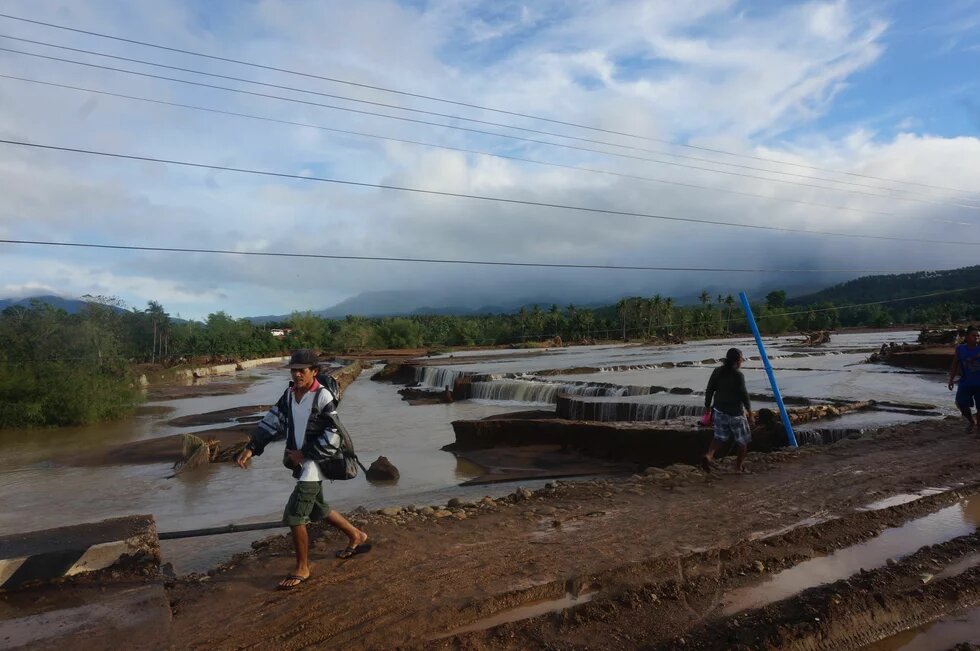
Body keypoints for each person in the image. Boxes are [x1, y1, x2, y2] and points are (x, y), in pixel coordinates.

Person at [236, 349, 370, 590]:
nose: (297, 374)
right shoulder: (289, 395)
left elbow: (334, 435)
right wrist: (252, 448)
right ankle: (356, 536)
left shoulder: (322, 397)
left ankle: (302, 568)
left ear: (314, 372)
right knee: (319, 509)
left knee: (295, 515)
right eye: (294, 370)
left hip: (315, 465)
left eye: (302, 370)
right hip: (302, 463)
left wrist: (305, 454)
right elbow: (272, 420)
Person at [701, 347, 754, 473]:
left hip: (719, 411)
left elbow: (709, 390)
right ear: (737, 361)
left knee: (719, 437)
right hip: (735, 413)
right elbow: (743, 394)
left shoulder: (717, 371)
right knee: (742, 441)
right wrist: (750, 412)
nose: (742, 361)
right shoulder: (738, 375)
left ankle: (708, 456)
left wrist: (707, 407)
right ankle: (738, 467)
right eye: (741, 358)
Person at [948, 326, 980, 433]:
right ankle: (971, 421)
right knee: (961, 403)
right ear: (967, 337)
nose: (976, 338)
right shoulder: (960, 349)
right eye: (974, 335)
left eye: (978, 336)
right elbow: (955, 364)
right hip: (965, 382)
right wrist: (951, 379)